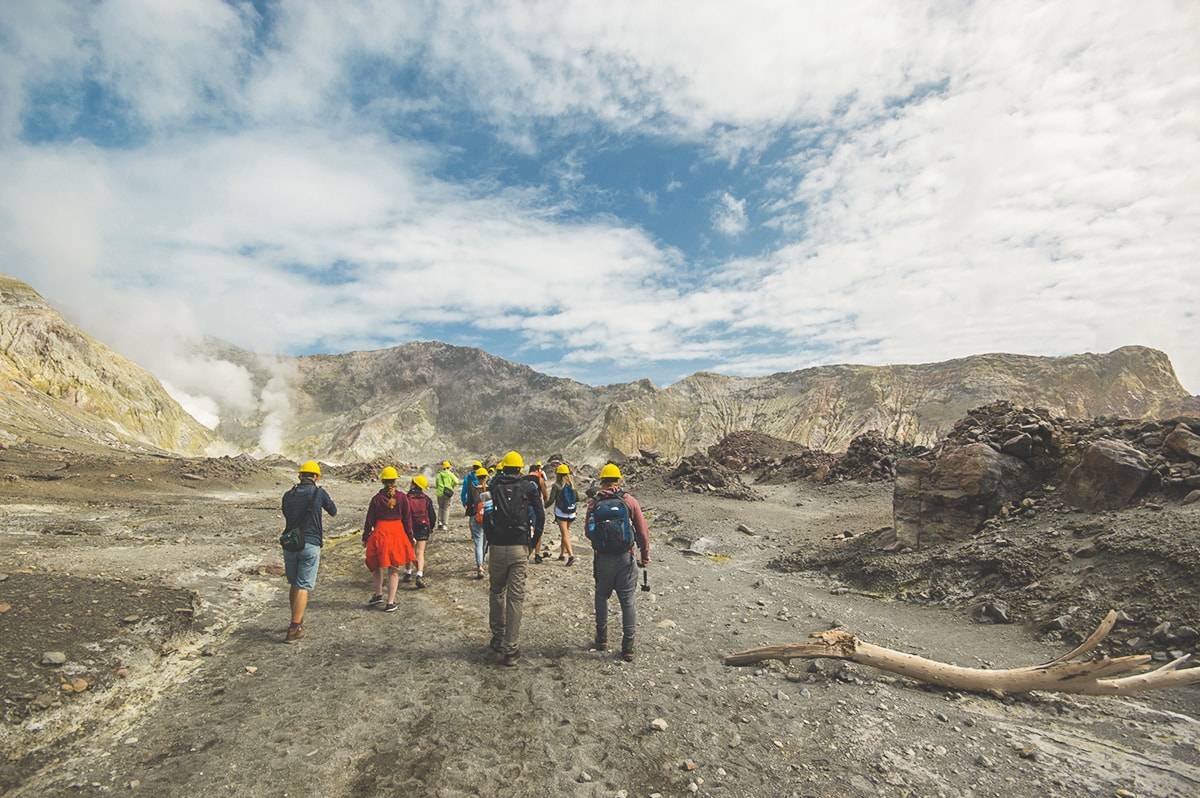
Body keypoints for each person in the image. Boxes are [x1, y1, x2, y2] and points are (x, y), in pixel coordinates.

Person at [483, 451, 545, 666]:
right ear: (520, 469)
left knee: (496, 592)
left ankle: (497, 637)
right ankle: (511, 649)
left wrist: (491, 540)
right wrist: (532, 542)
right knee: (515, 598)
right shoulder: (529, 487)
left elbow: (485, 517)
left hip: (498, 547)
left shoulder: (492, 486)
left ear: (503, 468)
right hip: (520, 547)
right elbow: (541, 516)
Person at [584, 463, 650, 662]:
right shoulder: (629, 501)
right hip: (625, 558)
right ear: (619, 480)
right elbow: (642, 531)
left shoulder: (594, 503)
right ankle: (628, 646)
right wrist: (644, 555)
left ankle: (602, 637)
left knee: (602, 595)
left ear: (602, 481)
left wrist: (603, 542)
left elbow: (588, 531)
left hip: (603, 558)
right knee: (627, 600)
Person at [280, 461, 337, 643]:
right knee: (303, 585)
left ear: (299, 476)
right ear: (316, 477)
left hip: (290, 544)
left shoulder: (288, 495)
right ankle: (294, 628)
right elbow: (333, 511)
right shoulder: (318, 493)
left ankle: (297, 619)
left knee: (294, 583)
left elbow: (287, 514)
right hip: (310, 543)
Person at [362, 466, 414, 612]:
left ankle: (378, 594)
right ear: (395, 480)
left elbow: (369, 520)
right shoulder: (403, 497)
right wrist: (410, 537)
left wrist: (366, 537)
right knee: (394, 569)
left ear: (382, 481)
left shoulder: (376, 499)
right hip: (397, 534)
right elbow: (407, 520)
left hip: (380, 533)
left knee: (377, 565)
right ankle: (390, 602)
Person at [407, 474, 437, 588]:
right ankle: (419, 574)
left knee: (410, 550)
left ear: (414, 484)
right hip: (423, 527)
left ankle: (408, 572)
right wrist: (431, 527)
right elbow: (432, 515)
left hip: (410, 526)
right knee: (420, 552)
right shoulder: (426, 499)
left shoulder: (407, 497)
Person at [545, 463, 578, 566]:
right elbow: (578, 498)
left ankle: (571, 556)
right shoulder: (572, 485)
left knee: (564, 534)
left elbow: (551, 500)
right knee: (565, 533)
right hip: (572, 513)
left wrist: (544, 506)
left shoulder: (556, 486)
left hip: (561, 513)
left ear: (558, 474)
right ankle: (562, 554)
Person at [467, 467, 489, 579]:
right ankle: (483, 560)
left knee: (478, 543)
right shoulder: (490, 490)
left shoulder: (473, 490)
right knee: (485, 541)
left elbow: (469, 504)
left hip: (476, 518)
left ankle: (479, 566)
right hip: (487, 518)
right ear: (486, 477)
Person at [527, 462, 551, 562]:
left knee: (525, 529)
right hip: (535, 507)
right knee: (538, 529)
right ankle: (536, 554)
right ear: (537, 471)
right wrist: (545, 505)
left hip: (524, 506)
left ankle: (525, 553)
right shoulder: (540, 480)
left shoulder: (523, 479)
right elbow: (545, 495)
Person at [434, 462, 458, 531]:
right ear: (449, 467)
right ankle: (445, 524)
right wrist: (452, 485)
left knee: (440, 507)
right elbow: (456, 481)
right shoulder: (450, 474)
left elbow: (436, 484)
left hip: (440, 493)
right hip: (448, 493)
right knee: (446, 508)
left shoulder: (439, 475)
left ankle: (439, 522)